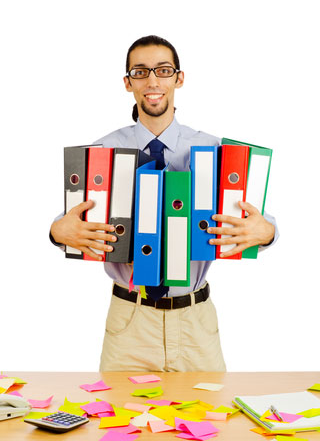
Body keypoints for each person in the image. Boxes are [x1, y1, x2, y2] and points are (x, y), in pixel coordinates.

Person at [50, 35, 278, 372]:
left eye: (163, 70)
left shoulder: (215, 151)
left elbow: (260, 220)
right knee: (117, 421)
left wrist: (267, 231)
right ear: (128, 83)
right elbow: (72, 220)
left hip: (196, 321)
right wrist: (57, 231)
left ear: (179, 79)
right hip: (129, 320)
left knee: (208, 418)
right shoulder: (101, 153)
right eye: (141, 72)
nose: (153, 81)